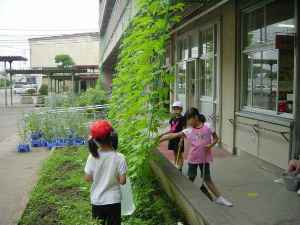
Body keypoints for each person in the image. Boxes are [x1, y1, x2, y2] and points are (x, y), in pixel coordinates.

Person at [160, 107, 233, 207]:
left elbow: (216, 138)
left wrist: (210, 145)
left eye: (189, 120)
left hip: (204, 159)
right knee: (191, 177)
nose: (188, 123)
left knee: (207, 178)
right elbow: (174, 135)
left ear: (195, 117)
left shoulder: (208, 126)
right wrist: (160, 139)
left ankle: (220, 198)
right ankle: (186, 197)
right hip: (193, 159)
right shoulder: (189, 130)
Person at [84, 120, 127, 225]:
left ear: (95, 141)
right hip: (113, 201)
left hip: (97, 200)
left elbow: (88, 178)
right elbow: (122, 181)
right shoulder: (120, 157)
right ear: (111, 137)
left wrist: (99, 176)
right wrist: (113, 177)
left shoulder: (92, 157)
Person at [160, 101, 186, 171]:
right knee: (174, 153)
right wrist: (163, 134)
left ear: (181, 109)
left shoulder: (183, 119)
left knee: (179, 154)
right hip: (172, 138)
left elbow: (184, 131)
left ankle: (180, 168)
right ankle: (176, 165)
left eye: (178, 109)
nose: (176, 110)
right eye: (174, 109)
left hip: (179, 138)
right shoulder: (172, 118)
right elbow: (171, 129)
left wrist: (181, 140)